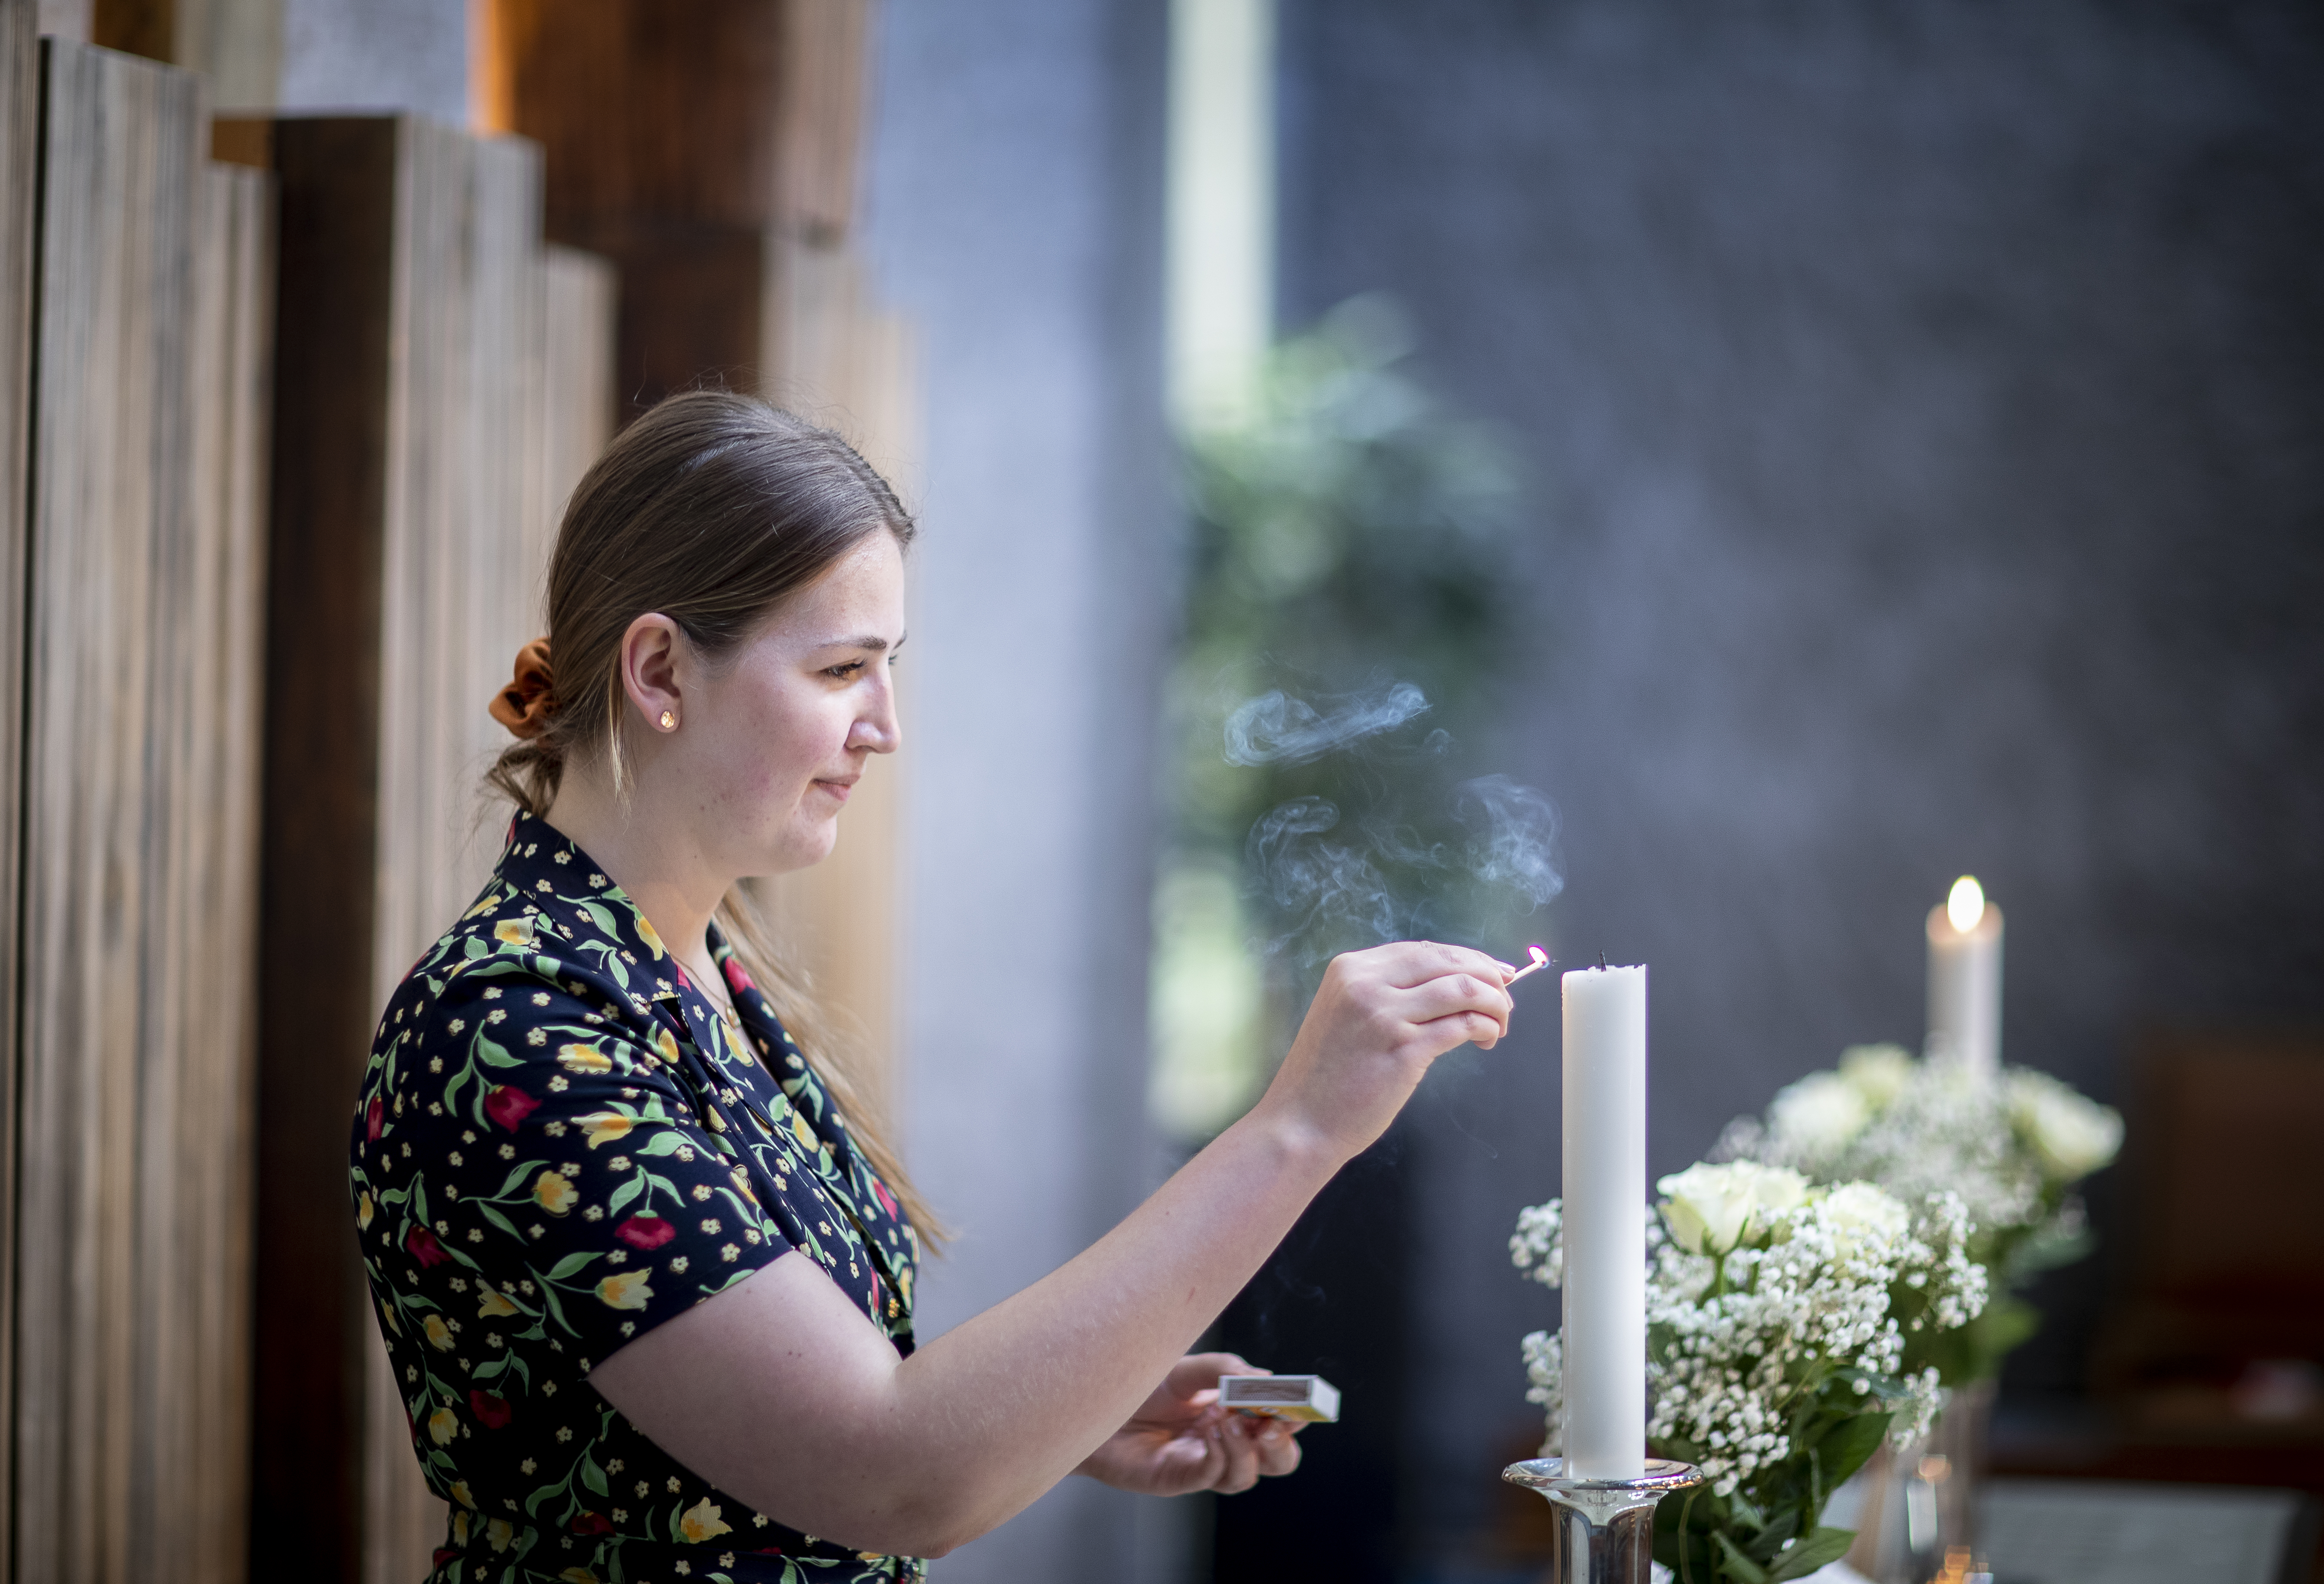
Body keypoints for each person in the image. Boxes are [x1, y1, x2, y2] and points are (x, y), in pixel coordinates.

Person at [351, 391, 1518, 1584]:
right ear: (660, 670)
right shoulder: (516, 1028)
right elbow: (892, 1474)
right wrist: (1297, 1128)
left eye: (889, 666)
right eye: (843, 667)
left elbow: (784, 1440)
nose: (885, 726)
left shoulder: (697, 972)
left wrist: (1068, 1418)